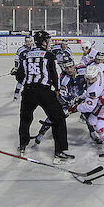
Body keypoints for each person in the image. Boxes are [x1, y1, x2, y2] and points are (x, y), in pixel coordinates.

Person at [16, 30, 74, 164]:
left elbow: (20, 77)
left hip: (28, 92)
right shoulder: (49, 55)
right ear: (43, 42)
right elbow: (54, 74)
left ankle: (23, 145)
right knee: (58, 119)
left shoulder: (25, 56)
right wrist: (57, 89)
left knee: (25, 119)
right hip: (44, 92)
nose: (49, 43)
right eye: (48, 41)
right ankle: (59, 152)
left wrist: (26, 81)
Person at [34, 56, 99, 145]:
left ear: (74, 65)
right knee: (53, 117)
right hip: (66, 102)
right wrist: (70, 103)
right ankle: (41, 134)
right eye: (66, 68)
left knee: (89, 114)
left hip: (80, 98)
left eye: (71, 66)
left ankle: (93, 133)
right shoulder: (63, 79)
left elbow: (94, 72)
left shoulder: (83, 70)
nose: (69, 70)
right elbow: (63, 95)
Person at [69, 64, 104, 160]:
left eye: (92, 79)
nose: (90, 81)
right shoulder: (99, 69)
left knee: (101, 125)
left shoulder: (93, 90)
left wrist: (76, 107)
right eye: (88, 79)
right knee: (92, 120)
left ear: (96, 75)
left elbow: (89, 107)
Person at [11, 36, 34, 100]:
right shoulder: (21, 49)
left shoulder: (35, 48)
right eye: (27, 41)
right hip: (23, 69)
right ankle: (16, 95)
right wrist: (16, 68)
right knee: (20, 81)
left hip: (32, 68)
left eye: (29, 41)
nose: (28, 43)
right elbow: (16, 59)